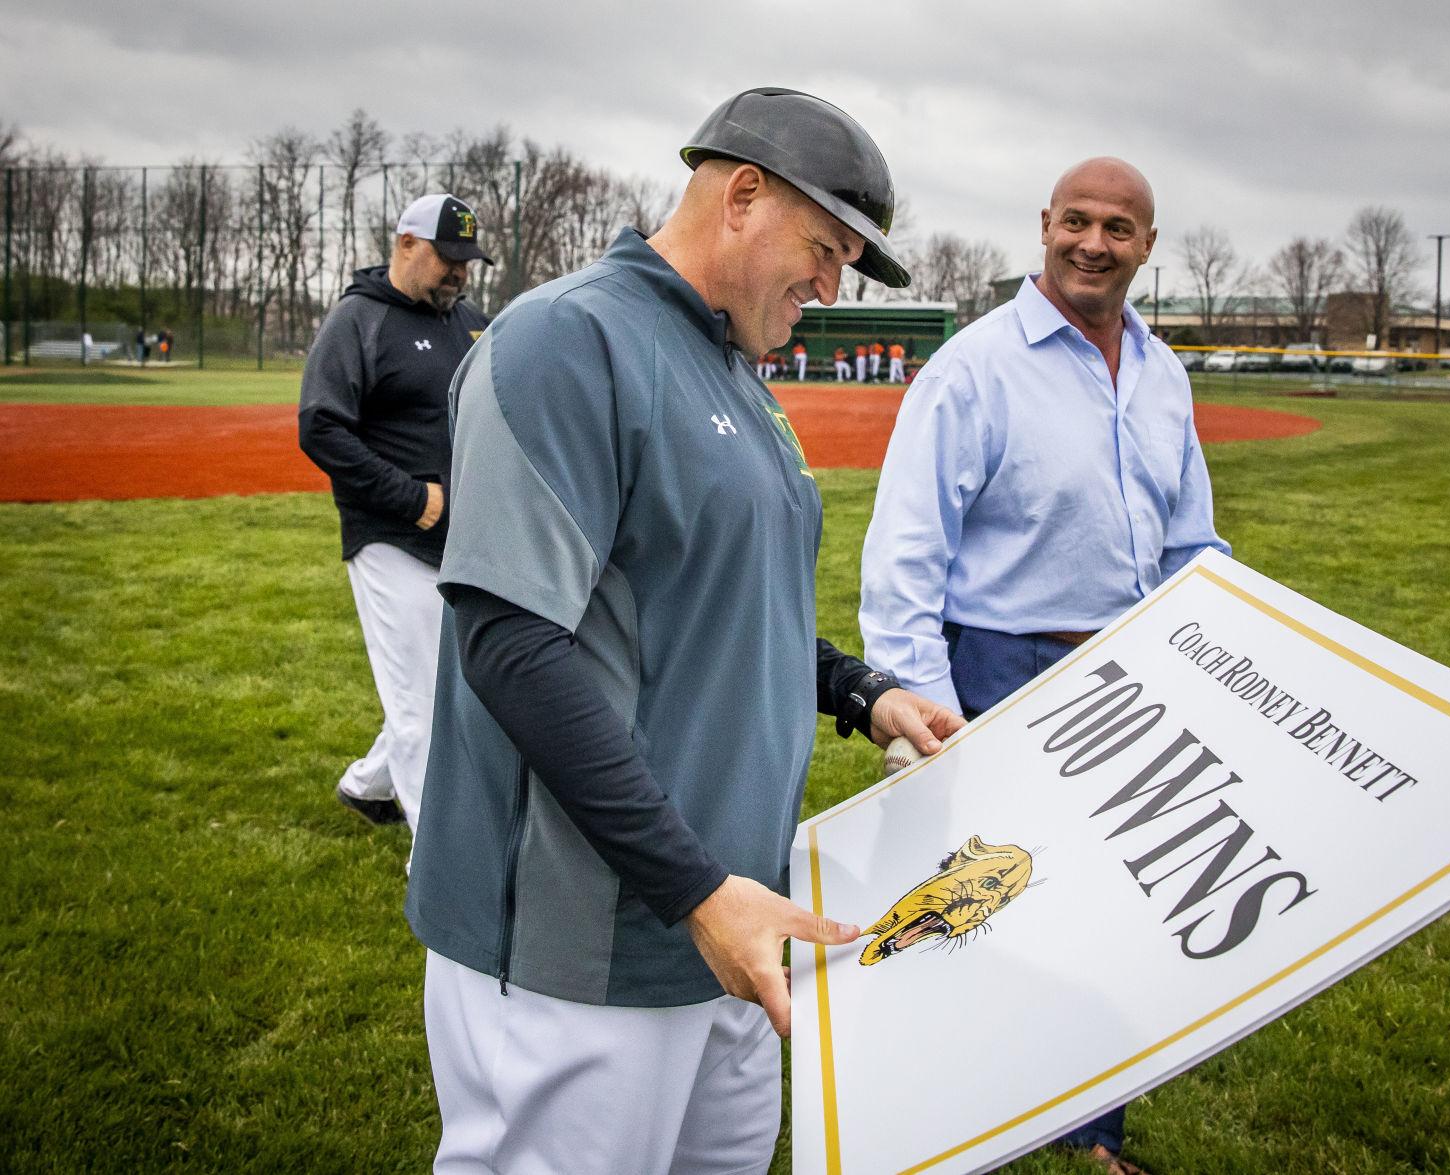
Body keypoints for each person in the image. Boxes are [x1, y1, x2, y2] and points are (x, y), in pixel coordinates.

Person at [406, 87, 963, 1173]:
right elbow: (512, 646)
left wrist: (860, 690)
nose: (830, 283)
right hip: (587, 946)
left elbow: (720, 602)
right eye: (825, 247)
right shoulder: (565, 338)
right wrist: (694, 889)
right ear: (742, 196)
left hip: (737, 926)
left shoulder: (735, 371)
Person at [858, 157, 1230, 1175]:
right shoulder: (973, 367)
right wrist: (916, 712)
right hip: (994, 667)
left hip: (1124, 670)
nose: (1092, 243)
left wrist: (1220, 641)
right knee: (975, 912)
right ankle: (926, 1121)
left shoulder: (1161, 374)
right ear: (1043, 225)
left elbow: (1189, 539)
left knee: (1106, 911)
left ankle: (1085, 1136)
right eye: (1075, 221)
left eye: (1117, 227)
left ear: (1146, 246)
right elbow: (904, 554)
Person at [297, 192, 493, 840]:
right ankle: (437, 861)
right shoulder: (358, 319)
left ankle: (366, 784)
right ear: (406, 244)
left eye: (468, 261)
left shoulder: (465, 320)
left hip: (459, 537)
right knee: (422, 707)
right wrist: (411, 498)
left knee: (454, 685)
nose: (459, 273)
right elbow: (321, 427)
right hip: (387, 535)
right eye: (448, 258)